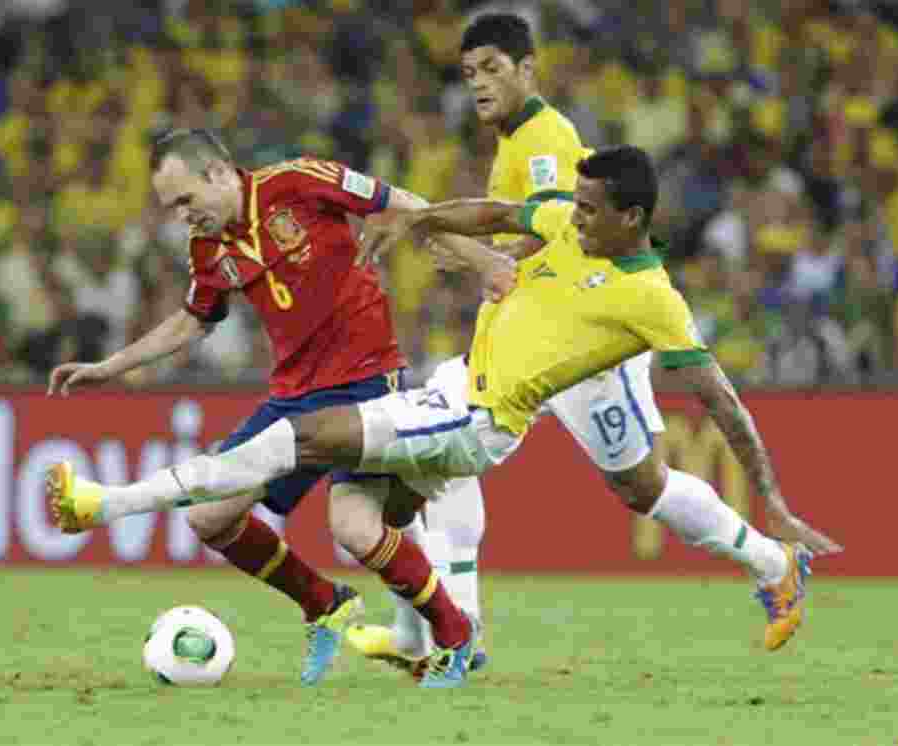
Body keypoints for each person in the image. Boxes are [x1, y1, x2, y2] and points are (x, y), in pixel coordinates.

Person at [49, 146, 842, 688]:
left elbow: (721, 399)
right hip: (457, 385)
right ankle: (444, 637)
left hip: (480, 413)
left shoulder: (652, 299)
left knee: (634, 487)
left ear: (631, 220)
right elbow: (494, 211)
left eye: (593, 209)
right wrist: (424, 224)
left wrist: (773, 498)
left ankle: (107, 503)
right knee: (363, 519)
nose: (575, 216)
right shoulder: (568, 217)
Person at [46, 128, 508, 689]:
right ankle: (325, 604)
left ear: (219, 173)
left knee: (356, 529)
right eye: (172, 208)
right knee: (209, 517)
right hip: (291, 400)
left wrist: (485, 264)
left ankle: (456, 637)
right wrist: (110, 367)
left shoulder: (299, 182)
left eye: (187, 200)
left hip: (366, 386)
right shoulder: (209, 250)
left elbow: (406, 204)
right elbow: (194, 320)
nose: (182, 217)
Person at [346, 11, 655, 676]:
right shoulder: (516, 139)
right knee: (434, 457)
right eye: (468, 74)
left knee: (440, 452)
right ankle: (437, 631)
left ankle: (453, 630)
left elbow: (550, 230)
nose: (478, 84)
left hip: (549, 333)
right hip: (529, 328)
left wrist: (488, 257)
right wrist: (477, 257)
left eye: (491, 69)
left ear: (526, 69)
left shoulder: (544, 137)